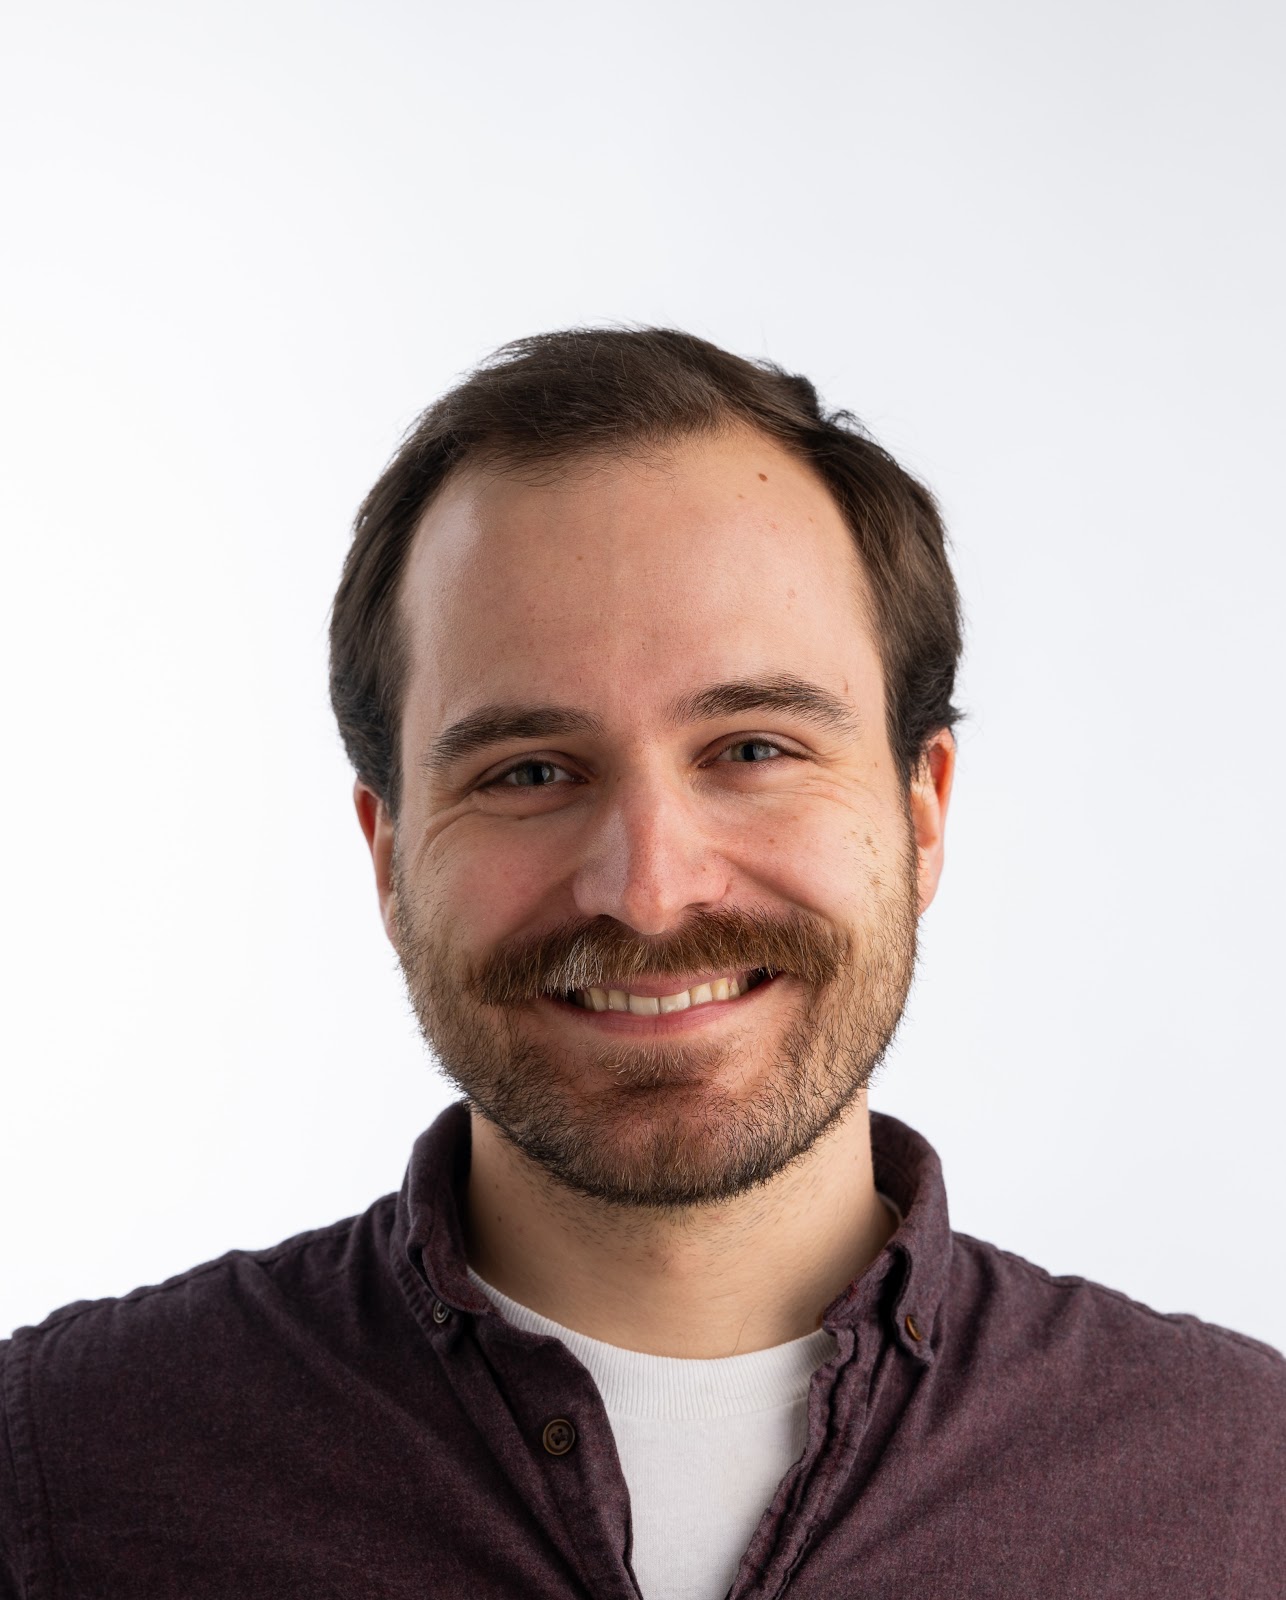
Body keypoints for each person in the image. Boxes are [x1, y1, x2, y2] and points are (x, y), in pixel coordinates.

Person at [1, 330, 1281, 1600]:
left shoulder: (1243, 1488)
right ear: (387, 855)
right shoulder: (57, 1470)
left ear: (922, 807)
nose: (650, 891)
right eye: (529, 773)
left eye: (753, 748)